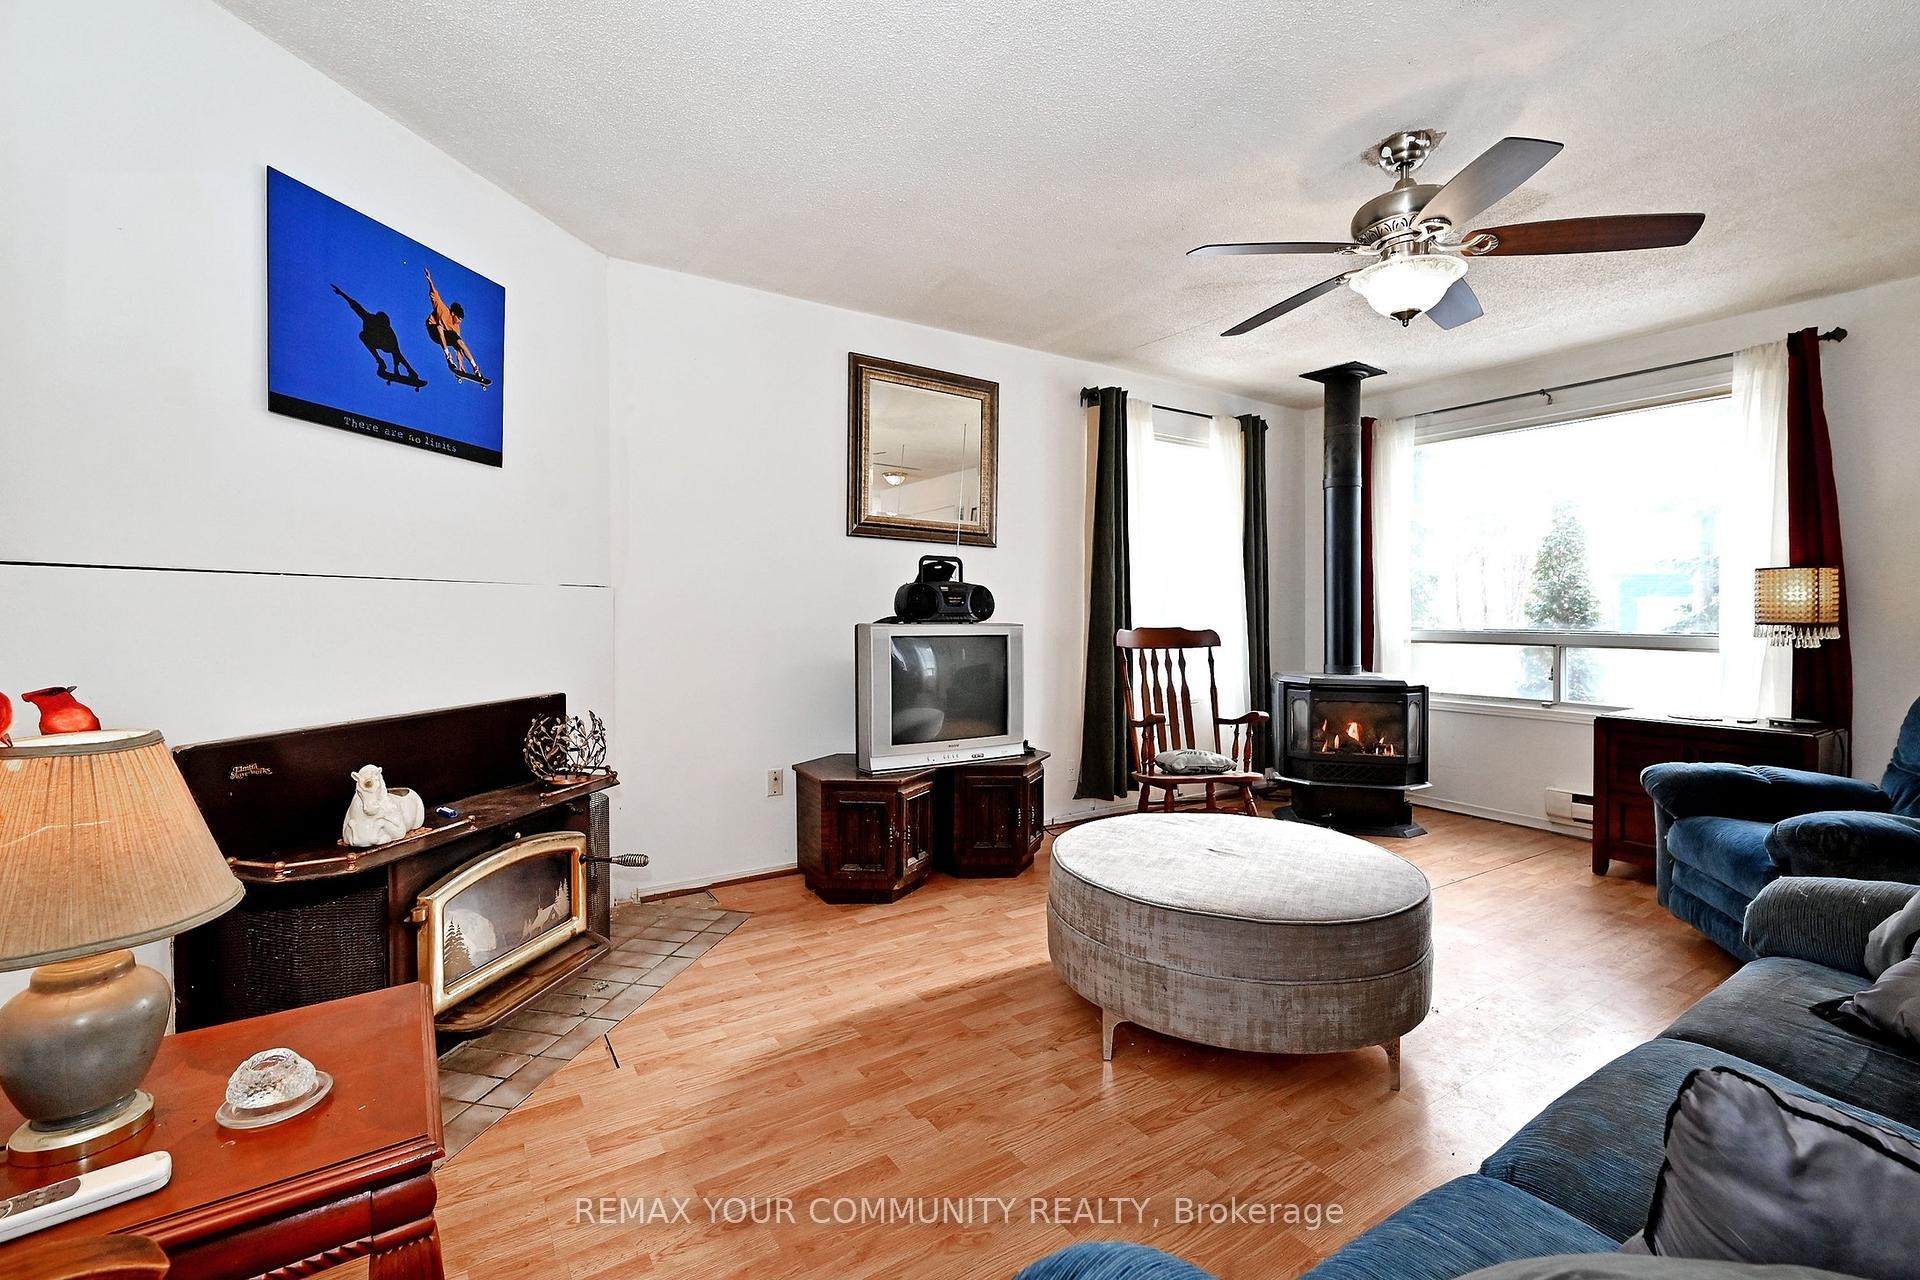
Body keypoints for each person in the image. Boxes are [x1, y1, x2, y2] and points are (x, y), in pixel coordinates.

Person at [331, 283, 419, 382]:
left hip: (386, 344)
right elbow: (355, 306)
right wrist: (342, 294)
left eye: (384, 326)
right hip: (375, 341)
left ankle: (411, 371)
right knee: (362, 335)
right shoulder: (370, 318)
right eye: (382, 325)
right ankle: (380, 361)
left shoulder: (388, 332)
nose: (383, 327)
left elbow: (397, 352)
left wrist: (397, 368)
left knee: (396, 353)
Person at [424, 268, 485, 379]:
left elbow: (458, 347)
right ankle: (448, 356)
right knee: (439, 327)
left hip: (445, 335)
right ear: (452, 314)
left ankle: (476, 367)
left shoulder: (456, 327)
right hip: (433, 330)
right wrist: (430, 280)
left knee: (460, 342)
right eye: (459, 318)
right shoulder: (443, 309)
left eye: (461, 320)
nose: (459, 321)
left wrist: (460, 364)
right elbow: (435, 294)